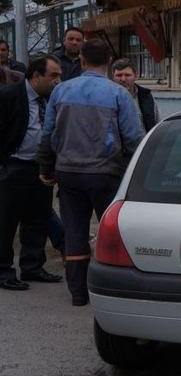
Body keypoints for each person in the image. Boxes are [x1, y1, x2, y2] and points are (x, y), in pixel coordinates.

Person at [37, 39, 144, 306]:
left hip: (68, 172)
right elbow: (133, 138)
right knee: (112, 231)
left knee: (74, 232)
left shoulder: (60, 91)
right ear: (109, 62)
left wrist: (46, 168)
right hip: (106, 173)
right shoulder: (118, 94)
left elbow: (49, 134)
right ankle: (114, 290)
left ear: (82, 60)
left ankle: (78, 294)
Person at [0, 56, 64, 290]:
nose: (58, 81)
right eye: (53, 76)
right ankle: (4, 270)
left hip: (40, 168)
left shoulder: (52, 99)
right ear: (36, 76)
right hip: (14, 166)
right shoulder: (9, 96)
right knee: (6, 221)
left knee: (38, 217)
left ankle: (32, 266)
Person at [112, 58, 160, 132]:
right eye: (119, 75)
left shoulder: (146, 97)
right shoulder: (107, 98)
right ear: (113, 77)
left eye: (127, 75)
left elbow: (156, 126)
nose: (123, 79)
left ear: (136, 76)